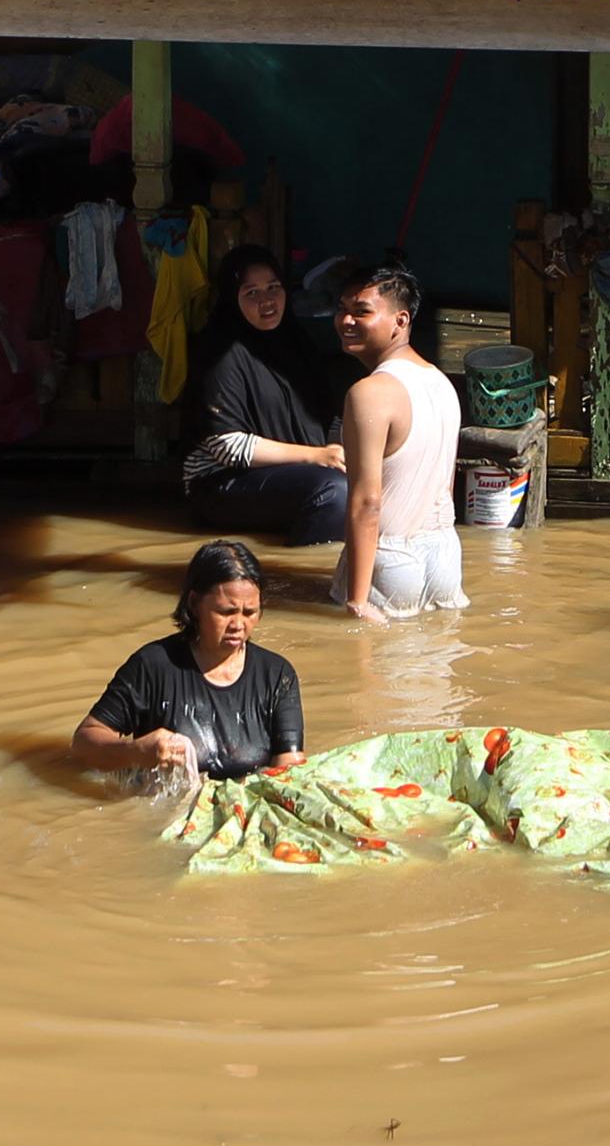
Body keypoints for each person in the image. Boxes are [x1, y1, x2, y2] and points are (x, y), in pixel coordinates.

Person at [74, 539, 307, 781]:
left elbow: (289, 770)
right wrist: (136, 752)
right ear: (195, 603)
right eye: (226, 612)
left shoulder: (277, 675)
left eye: (250, 613)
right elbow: (84, 743)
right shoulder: (153, 666)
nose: (238, 625)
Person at [184, 245, 358, 545]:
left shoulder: (297, 344)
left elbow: (328, 419)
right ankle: (301, 577)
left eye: (274, 288)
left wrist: (337, 451)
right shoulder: (221, 352)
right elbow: (227, 446)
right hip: (221, 482)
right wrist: (317, 456)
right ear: (231, 298)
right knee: (333, 492)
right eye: (251, 292)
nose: (266, 301)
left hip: (299, 473)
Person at [330, 261, 465, 622]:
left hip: (389, 559)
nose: (346, 321)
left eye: (362, 312)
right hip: (445, 555)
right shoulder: (441, 384)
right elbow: (444, 487)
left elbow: (367, 502)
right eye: (342, 310)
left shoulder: (369, 393)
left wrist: (357, 602)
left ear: (400, 321)